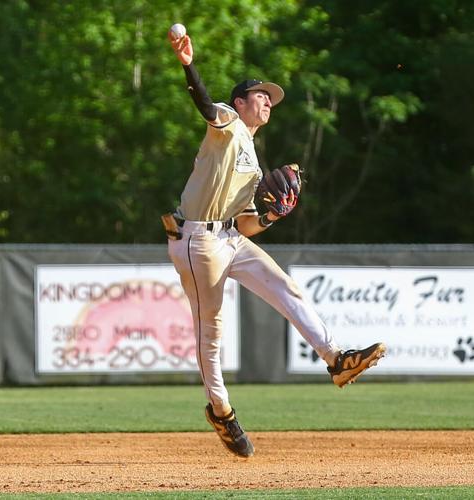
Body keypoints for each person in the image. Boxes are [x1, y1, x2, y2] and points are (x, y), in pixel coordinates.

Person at [164, 29, 386, 458]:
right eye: (260, 95)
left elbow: (246, 225)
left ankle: (336, 359)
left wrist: (270, 215)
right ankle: (220, 409)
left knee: (286, 286)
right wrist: (188, 64)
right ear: (241, 102)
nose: (267, 101)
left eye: (269, 97)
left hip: (229, 237)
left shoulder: (251, 155)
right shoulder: (227, 122)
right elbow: (205, 105)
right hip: (197, 242)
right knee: (211, 331)